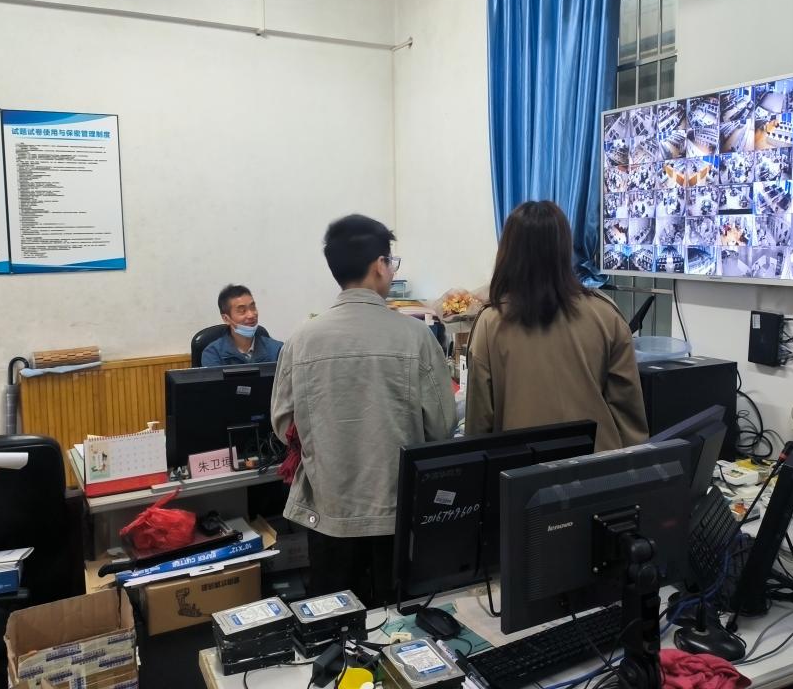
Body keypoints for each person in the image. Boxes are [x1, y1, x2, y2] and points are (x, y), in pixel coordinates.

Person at [270, 215, 457, 607]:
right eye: (391, 262)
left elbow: (284, 424)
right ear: (379, 266)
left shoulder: (301, 340)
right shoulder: (416, 337)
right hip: (397, 514)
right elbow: (441, 427)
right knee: (401, 625)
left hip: (328, 512)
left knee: (335, 623)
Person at [465, 201, 648, 451]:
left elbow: (479, 425)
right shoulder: (606, 315)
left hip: (521, 469)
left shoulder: (490, 323)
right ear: (564, 249)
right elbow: (630, 420)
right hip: (597, 467)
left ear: (508, 252)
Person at [201, 284, 284, 366]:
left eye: (253, 308)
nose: (251, 315)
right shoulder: (213, 354)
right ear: (226, 319)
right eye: (242, 311)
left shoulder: (278, 350)